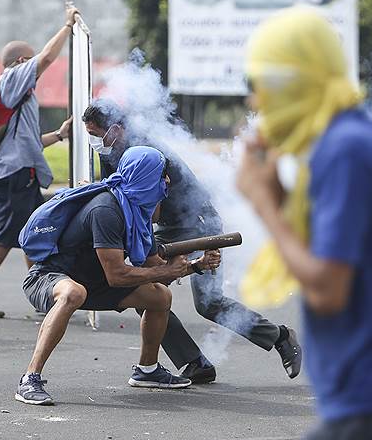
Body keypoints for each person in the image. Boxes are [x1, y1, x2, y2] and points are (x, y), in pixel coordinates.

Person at [235, 7, 372, 440]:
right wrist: (280, 200)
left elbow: (327, 289)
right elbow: (324, 257)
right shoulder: (341, 142)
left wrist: (263, 202)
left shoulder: (345, 151)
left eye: (259, 83)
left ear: (292, 82)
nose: (252, 98)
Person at [82, 99, 301, 384]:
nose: (94, 141)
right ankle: (194, 362)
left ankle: (281, 337)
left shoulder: (148, 151)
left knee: (208, 302)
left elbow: (149, 203)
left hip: (197, 221)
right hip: (164, 224)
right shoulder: (110, 151)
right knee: (148, 294)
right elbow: (114, 194)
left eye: (96, 134)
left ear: (115, 129)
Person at [16, 146, 220, 405]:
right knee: (72, 293)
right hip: (50, 277)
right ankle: (29, 378)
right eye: (161, 175)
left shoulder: (138, 212)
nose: (167, 181)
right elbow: (117, 276)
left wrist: (197, 265)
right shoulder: (107, 211)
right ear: (145, 178)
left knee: (159, 297)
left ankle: (147, 370)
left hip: (95, 282)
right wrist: (166, 270)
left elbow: (155, 268)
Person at [0, 4, 78, 318]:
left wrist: (59, 135)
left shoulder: (16, 94)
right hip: (13, 175)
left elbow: (26, 142)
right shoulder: (12, 79)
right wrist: (67, 27)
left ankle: (42, 292)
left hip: (16, 171)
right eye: (31, 59)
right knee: (8, 233)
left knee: (32, 230)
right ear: (22, 62)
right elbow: (48, 58)